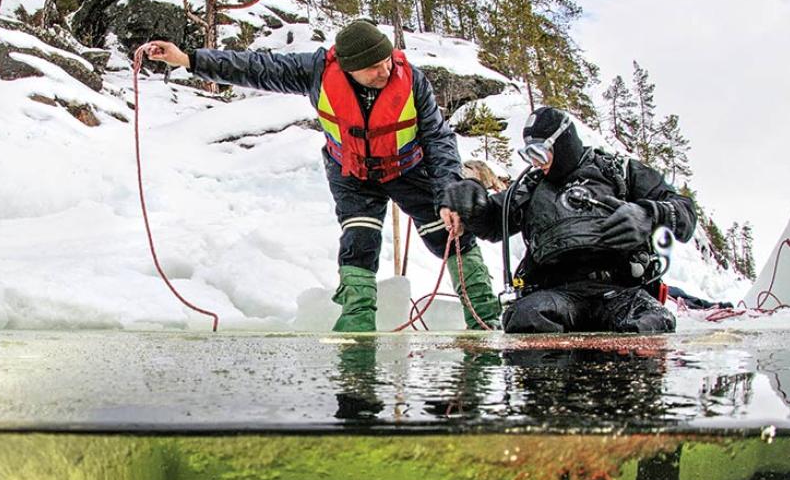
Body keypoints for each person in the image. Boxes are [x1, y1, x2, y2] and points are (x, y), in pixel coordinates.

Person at [142, 20, 501, 332]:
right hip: (352, 173)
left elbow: (438, 139)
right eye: (374, 67)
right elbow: (256, 67)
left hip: (408, 169)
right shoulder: (316, 71)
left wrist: (448, 195)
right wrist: (188, 59)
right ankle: (357, 322)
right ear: (348, 68)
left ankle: (485, 317)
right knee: (359, 243)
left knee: (451, 234)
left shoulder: (413, 81)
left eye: (387, 60)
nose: (385, 70)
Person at [442, 106, 697, 333]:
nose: (535, 163)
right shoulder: (529, 189)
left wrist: (648, 215)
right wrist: (471, 198)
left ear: (562, 142)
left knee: (652, 322)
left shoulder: (620, 171)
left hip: (620, 292)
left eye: (540, 153)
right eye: (528, 155)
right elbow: (493, 222)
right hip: (556, 296)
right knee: (524, 319)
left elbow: (685, 211)